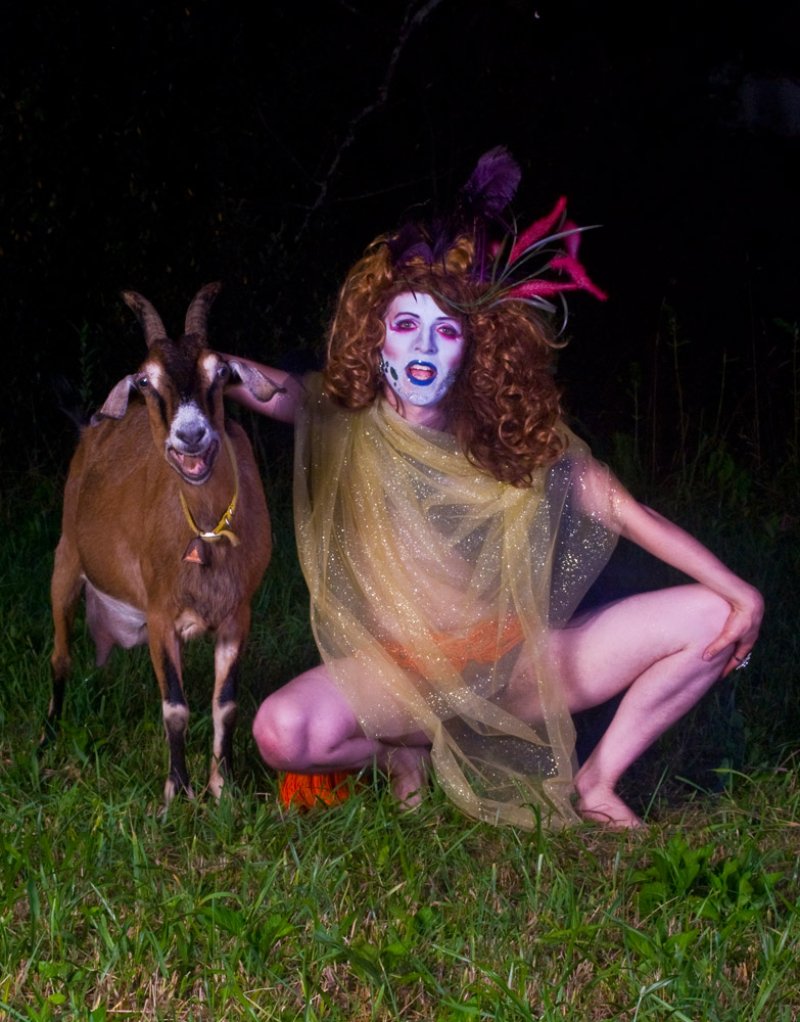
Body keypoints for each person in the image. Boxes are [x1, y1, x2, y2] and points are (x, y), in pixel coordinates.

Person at [232, 148, 763, 829]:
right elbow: (269, 390)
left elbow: (627, 510)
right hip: (401, 674)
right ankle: (406, 750)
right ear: (376, 339)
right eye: (405, 326)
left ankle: (597, 783)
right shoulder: (343, 419)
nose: (424, 346)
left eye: (446, 331)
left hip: (517, 664)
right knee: (281, 731)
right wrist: (198, 368)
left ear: (477, 347)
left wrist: (737, 590)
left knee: (715, 616)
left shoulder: (514, 433)